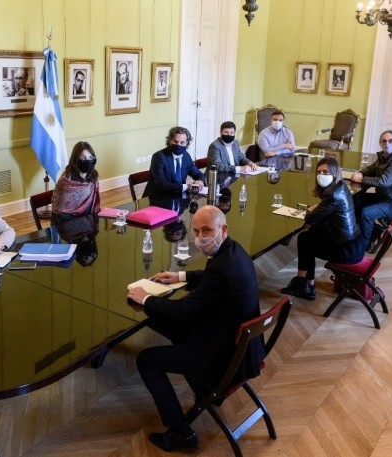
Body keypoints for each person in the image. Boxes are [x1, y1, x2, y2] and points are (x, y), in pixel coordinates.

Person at [127, 206, 265, 453]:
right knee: (159, 318)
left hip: (220, 357)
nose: (201, 237)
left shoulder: (223, 269)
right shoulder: (235, 251)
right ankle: (196, 385)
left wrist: (146, 298)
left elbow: (184, 309)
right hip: (240, 348)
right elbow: (211, 275)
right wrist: (180, 276)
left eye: (207, 230)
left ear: (223, 229)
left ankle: (182, 434)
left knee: (147, 360)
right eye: (197, 231)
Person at [281, 157, 365, 300]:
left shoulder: (332, 195)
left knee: (305, 239)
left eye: (326, 172)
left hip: (347, 250)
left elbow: (310, 219)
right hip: (354, 242)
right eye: (319, 172)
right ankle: (307, 284)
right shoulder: (341, 186)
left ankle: (304, 284)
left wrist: (311, 211)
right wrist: (318, 209)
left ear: (334, 172)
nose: (321, 175)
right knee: (309, 236)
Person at [350, 130, 392, 251]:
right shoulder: (385, 156)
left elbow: (384, 182)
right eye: (384, 141)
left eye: (391, 141)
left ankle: (365, 244)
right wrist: (360, 173)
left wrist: (362, 179)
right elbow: (371, 169)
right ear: (380, 143)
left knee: (366, 213)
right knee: (354, 200)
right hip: (385, 197)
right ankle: (373, 231)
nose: (387, 144)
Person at [143, 126, 206, 198]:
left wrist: (200, 181)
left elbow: (198, 174)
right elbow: (162, 185)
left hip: (178, 196)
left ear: (187, 143)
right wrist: (187, 186)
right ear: (170, 141)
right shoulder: (158, 157)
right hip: (158, 197)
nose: (179, 145)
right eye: (176, 142)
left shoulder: (186, 156)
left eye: (182, 142)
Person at [51, 141, 101, 217]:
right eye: (82, 158)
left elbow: (94, 209)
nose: (87, 161)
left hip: (88, 220)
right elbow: (61, 215)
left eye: (90, 158)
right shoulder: (66, 182)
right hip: (65, 223)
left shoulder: (93, 178)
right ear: (75, 160)